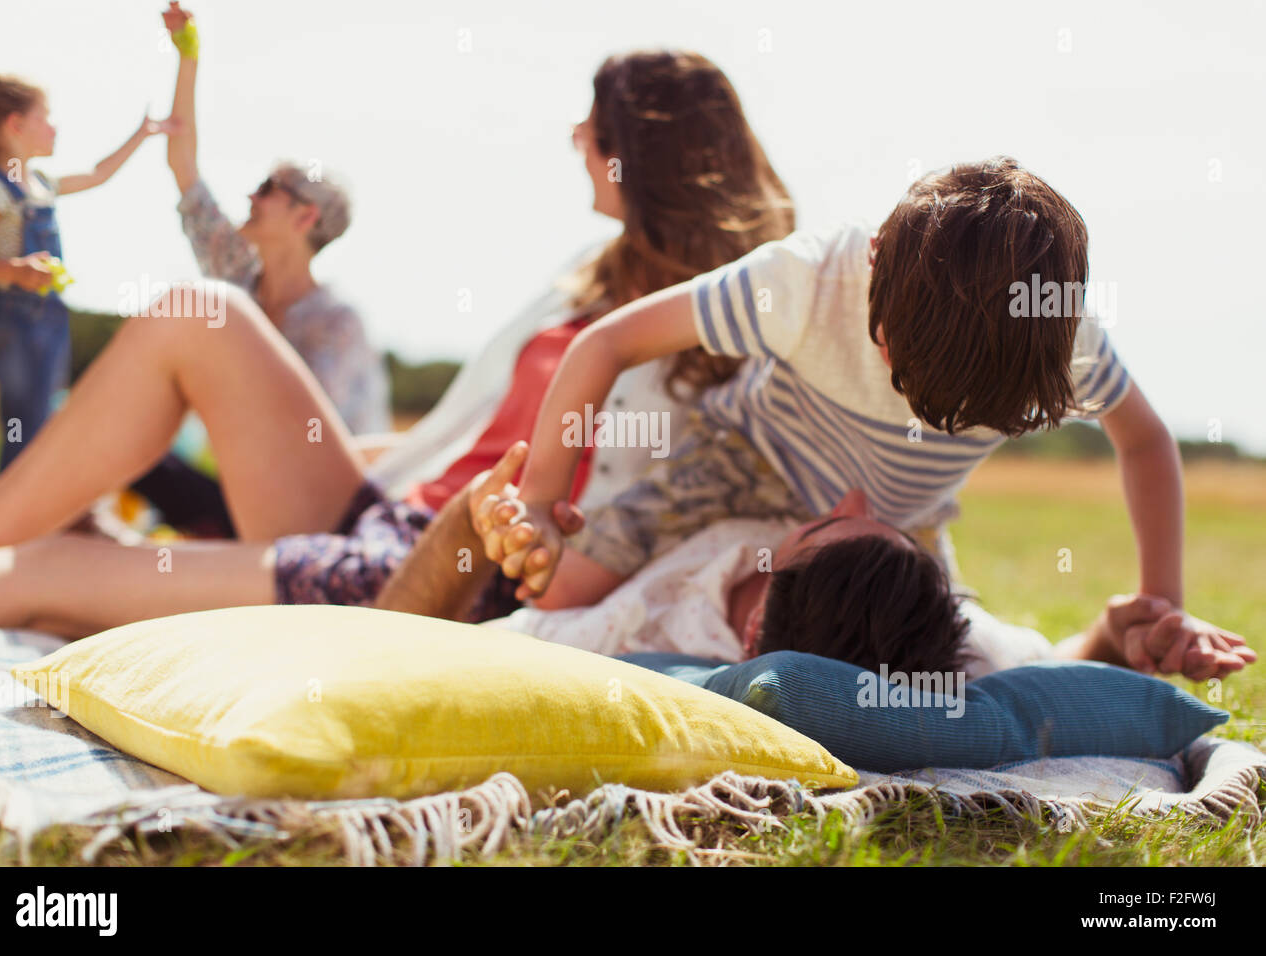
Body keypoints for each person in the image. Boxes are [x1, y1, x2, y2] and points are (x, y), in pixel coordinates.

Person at [0, 49, 795, 635]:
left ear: (642, 158)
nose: (577, 139)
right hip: (389, 513)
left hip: (437, 578)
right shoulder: (591, 280)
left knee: (45, 576)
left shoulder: (728, 339)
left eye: (594, 129)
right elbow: (458, 437)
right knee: (199, 308)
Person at [474, 157, 1246, 677]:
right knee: (559, 598)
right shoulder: (805, 280)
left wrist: (1161, 602)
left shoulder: (1053, 328)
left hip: (894, 521)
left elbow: (1143, 441)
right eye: (897, 362)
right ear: (873, 262)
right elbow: (607, 343)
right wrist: (539, 501)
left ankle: (1114, 638)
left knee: (938, 670)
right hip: (746, 460)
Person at [378, 445, 1252, 682]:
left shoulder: (619, 636)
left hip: (439, 552)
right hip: (597, 522)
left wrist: (478, 523)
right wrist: (1116, 628)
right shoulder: (945, 635)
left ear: (755, 631)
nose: (855, 501)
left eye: (827, 529)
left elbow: (414, 654)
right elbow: (1047, 664)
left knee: (460, 518)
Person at [125, 4, 390, 536]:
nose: (250, 194)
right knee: (126, 446)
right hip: (241, 500)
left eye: (268, 189)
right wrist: (187, 55)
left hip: (317, 522)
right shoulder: (237, 276)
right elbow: (185, 167)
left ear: (305, 216)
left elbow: (318, 450)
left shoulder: (336, 323)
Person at [0, 74, 171, 472]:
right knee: (21, 422)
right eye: (46, 117)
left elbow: (98, 174)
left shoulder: (41, 184)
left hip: (47, 321)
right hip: (11, 323)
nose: (54, 127)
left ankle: (29, 510)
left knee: (41, 418)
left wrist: (142, 134)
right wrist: (16, 271)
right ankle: (4, 513)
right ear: (16, 125)